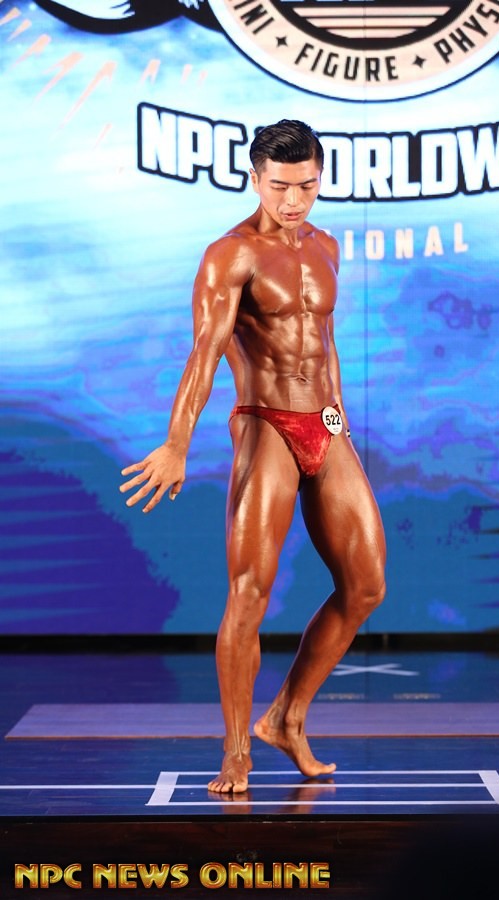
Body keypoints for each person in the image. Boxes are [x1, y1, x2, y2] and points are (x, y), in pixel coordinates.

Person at [120, 120, 386, 793]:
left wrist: (338, 422)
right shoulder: (230, 254)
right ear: (255, 179)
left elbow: (323, 343)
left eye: (307, 186)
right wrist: (177, 443)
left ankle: (287, 718)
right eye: (280, 187)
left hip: (326, 424)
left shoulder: (325, 245)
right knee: (249, 593)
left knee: (366, 586)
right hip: (266, 423)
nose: (294, 199)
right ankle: (236, 749)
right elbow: (204, 353)